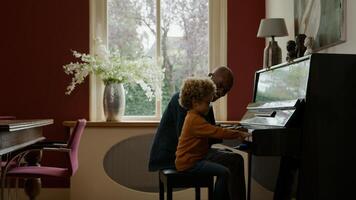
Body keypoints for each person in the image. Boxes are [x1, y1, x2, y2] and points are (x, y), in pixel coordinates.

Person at [148, 66, 247, 200]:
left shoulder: (206, 105)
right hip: (174, 156)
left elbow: (210, 135)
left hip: (189, 152)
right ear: (210, 76)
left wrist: (230, 130)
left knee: (229, 157)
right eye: (220, 85)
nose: (221, 92)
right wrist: (229, 133)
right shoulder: (183, 99)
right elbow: (186, 136)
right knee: (235, 160)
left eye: (226, 91)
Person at [175, 77, 249, 200]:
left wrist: (233, 131)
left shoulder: (193, 115)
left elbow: (213, 129)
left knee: (229, 157)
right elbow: (216, 132)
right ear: (195, 102)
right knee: (225, 172)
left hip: (196, 156)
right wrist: (238, 134)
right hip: (190, 163)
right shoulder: (194, 120)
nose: (209, 107)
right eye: (207, 103)